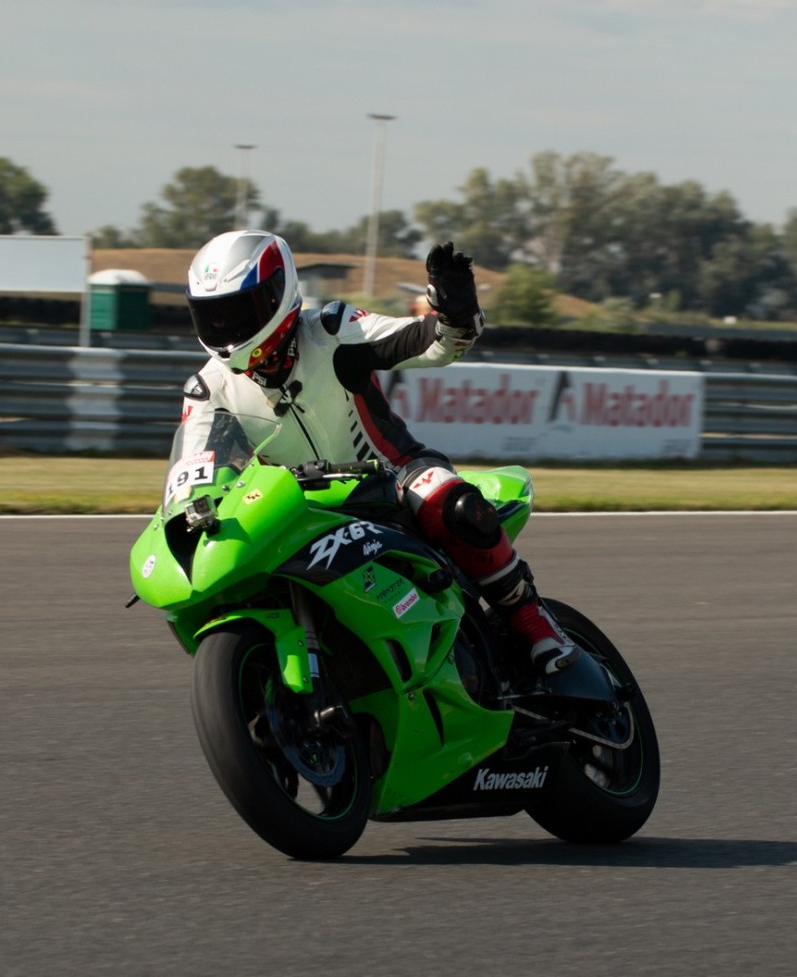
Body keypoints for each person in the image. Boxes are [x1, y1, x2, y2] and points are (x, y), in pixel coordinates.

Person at [180, 230, 579, 675]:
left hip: (393, 477)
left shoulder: (333, 332)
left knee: (446, 499)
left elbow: (431, 343)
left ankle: (536, 622)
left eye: (238, 311)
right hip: (298, 511)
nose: (225, 328)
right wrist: (188, 513)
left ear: (278, 293)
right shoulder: (208, 389)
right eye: (212, 316)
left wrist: (456, 315)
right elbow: (192, 477)